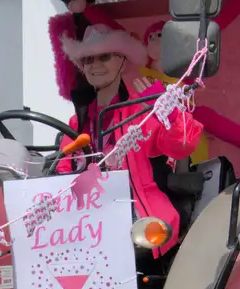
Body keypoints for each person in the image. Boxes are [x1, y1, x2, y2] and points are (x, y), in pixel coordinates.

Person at [51, 20, 202, 253]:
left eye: (105, 57)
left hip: (142, 218)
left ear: (122, 61)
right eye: (88, 60)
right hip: (88, 220)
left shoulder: (141, 111)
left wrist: (169, 112)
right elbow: (62, 173)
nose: (95, 65)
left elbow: (181, 146)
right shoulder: (77, 122)